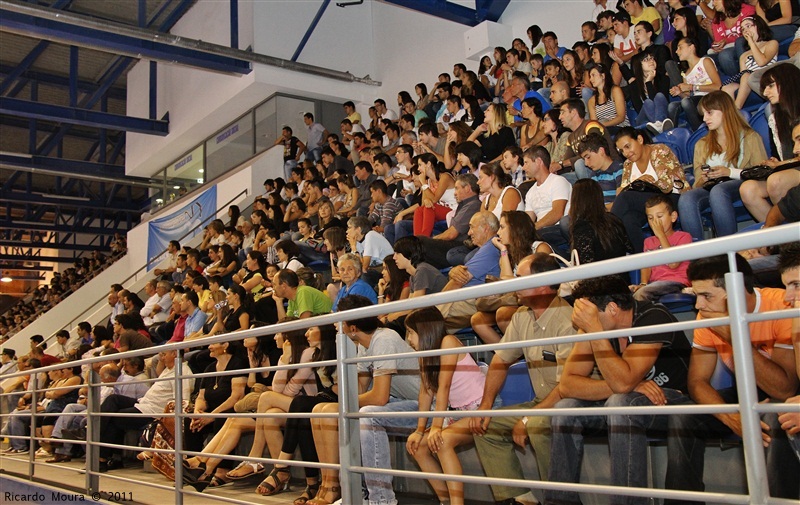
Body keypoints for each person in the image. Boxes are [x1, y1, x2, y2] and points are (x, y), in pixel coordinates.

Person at [546, 274, 691, 505]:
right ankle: (560, 501)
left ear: (612, 308)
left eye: (588, 313)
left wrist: (595, 330)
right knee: (565, 409)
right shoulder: (594, 327)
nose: (582, 319)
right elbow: (568, 385)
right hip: (631, 403)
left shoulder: (653, 316)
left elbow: (622, 385)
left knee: (620, 403)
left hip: (674, 400)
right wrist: (631, 384)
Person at [666, 254, 799, 502]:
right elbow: (697, 382)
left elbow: (784, 388)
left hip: (784, 390)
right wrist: (732, 418)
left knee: (774, 416)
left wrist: (733, 337)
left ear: (736, 290)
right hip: (744, 391)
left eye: (706, 296)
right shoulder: (706, 316)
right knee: (683, 415)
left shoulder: (780, 305)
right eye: (696, 295)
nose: (698, 305)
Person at [471, 254, 576, 505]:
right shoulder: (521, 315)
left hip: (568, 401)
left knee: (538, 426)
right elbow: (500, 361)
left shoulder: (566, 320)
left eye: (520, 278)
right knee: (487, 427)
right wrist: (485, 405)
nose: (514, 282)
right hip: (543, 400)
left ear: (542, 285)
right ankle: (519, 500)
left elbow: (567, 387)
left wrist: (528, 418)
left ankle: (560, 500)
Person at [310, 295, 420, 505]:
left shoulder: (384, 339)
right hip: (399, 401)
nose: (335, 323)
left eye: (339, 318)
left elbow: (379, 397)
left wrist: (345, 403)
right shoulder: (361, 344)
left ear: (352, 327)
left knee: (366, 415)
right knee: (321, 410)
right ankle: (343, 490)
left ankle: (382, 500)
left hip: (424, 405)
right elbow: (357, 389)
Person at [404, 307, 488, 505]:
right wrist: (418, 430)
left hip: (480, 409)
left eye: (410, 332)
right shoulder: (427, 354)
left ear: (425, 330)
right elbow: (426, 392)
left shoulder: (448, 342)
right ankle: (446, 500)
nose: (408, 339)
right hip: (459, 414)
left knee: (440, 441)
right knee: (417, 446)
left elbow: (444, 387)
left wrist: (436, 427)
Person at [677, 91, 768, 241]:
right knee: (687, 198)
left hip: (740, 183)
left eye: (709, 113)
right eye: (703, 114)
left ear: (725, 110)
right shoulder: (702, 144)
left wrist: (729, 172)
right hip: (712, 186)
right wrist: (704, 178)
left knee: (719, 191)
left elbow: (760, 171)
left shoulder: (749, 137)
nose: (705, 119)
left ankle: (728, 247)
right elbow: (698, 178)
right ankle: (696, 253)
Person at [98, 350, 193, 472]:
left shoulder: (182, 372)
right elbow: (159, 368)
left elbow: (182, 400)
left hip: (152, 411)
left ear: (174, 354)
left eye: (164, 354)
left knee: (114, 418)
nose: (161, 357)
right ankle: (97, 430)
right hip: (143, 403)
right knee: (113, 399)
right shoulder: (169, 369)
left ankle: (101, 457)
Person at [471, 211, 553, 345]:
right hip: (519, 300)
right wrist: (503, 250)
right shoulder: (508, 255)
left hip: (537, 299)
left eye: (502, 227)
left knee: (503, 314)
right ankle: (510, 358)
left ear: (515, 228)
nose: (498, 232)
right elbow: (506, 282)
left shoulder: (540, 248)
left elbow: (543, 285)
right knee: (477, 319)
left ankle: (528, 353)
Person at [181, 340, 248, 490]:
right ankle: (195, 470)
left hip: (230, 409)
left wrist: (212, 415)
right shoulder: (210, 368)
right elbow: (201, 397)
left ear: (225, 345)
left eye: (214, 344)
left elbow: (236, 396)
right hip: (211, 411)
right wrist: (198, 412)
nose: (209, 347)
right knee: (189, 421)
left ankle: (222, 471)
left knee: (221, 419)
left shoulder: (237, 363)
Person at [612, 127, 688, 253]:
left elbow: (666, 185)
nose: (626, 153)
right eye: (622, 150)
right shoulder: (627, 164)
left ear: (640, 139)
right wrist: (639, 182)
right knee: (628, 218)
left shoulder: (660, 150)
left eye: (628, 146)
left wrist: (643, 181)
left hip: (671, 198)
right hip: (648, 204)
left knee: (626, 198)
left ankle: (608, 233)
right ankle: (643, 259)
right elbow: (622, 191)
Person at [632, 194, 693, 301]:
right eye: (650, 218)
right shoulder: (648, 241)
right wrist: (643, 283)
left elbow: (673, 263)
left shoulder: (683, 237)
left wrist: (661, 236)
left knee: (641, 295)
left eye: (659, 216)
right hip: (655, 285)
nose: (655, 222)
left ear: (673, 217)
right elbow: (646, 265)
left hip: (677, 282)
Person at [568, 179, 634, 274]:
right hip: (622, 281)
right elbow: (629, 249)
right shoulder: (614, 220)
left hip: (600, 285)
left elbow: (586, 266)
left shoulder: (581, 227)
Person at [523, 146, 572, 254]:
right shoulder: (530, 192)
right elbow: (528, 220)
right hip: (542, 233)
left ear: (538, 161)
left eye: (526, 163)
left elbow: (557, 213)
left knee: (535, 237)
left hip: (559, 230)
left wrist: (533, 229)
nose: (523, 167)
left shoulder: (558, 181)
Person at [668, 37, 723, 130]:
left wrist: (692, 87)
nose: (677, 52)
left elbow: (718, 86)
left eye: (680, 47)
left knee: (686, 102)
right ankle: (671, 133)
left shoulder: (705, 61)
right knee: (672, 106)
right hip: (696, 99)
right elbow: (688, 95)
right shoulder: (685, 73)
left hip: (710, 96)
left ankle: (699, 130)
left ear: (691, 47)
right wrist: (680, 92)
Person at [588, 63, 631, 130]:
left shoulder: (615, 91)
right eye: (590, 76)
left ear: (603, 76)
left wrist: (603, 125)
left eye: (593, 75)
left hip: (620, 127)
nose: (591, 79)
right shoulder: (592, 101)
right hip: (604, 129)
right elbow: (594, 123)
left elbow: (621, 117)